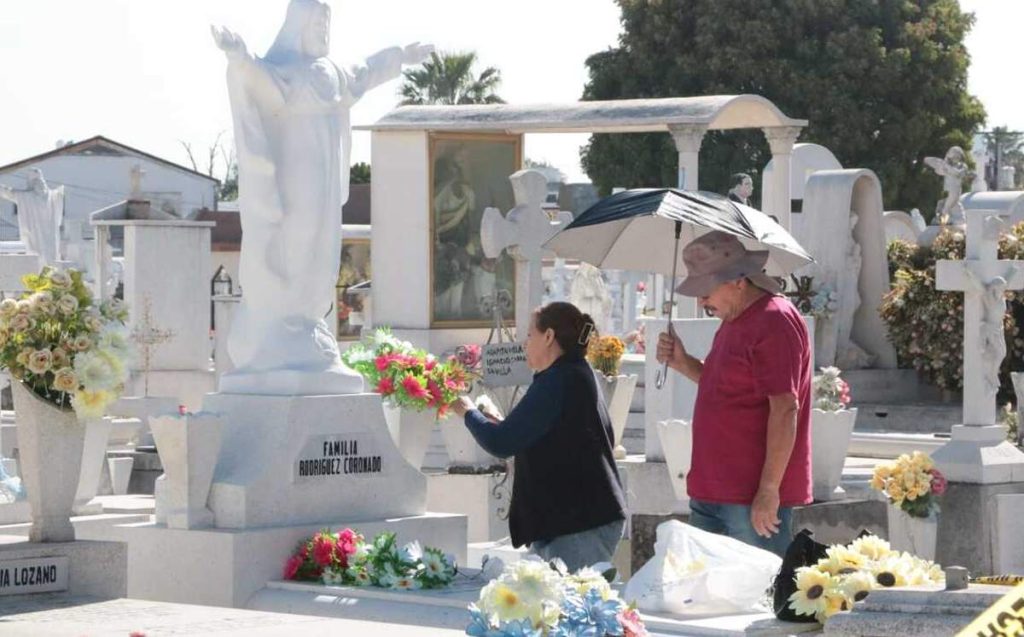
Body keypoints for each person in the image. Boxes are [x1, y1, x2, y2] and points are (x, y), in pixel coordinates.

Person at [656, 231, 811, 556]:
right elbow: (728, 388)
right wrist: (683, 363)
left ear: (739, 280)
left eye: (705, 290)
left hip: (749, 498)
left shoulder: (774, 321)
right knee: (705, 600)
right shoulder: (735, 318)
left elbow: (785, 408)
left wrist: (769, 490)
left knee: (759, 598)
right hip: (711, 489)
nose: (700, 301)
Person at [452, 302, 626, 570]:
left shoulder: (559, 380)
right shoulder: (572, 373)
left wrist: (467, 411)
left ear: (548, 337)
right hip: (572, 518)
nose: (524, 343)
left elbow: (500, 443)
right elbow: (547, 433)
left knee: (568, 606)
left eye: (530, 334)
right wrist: (496, 423)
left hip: (579, 522)